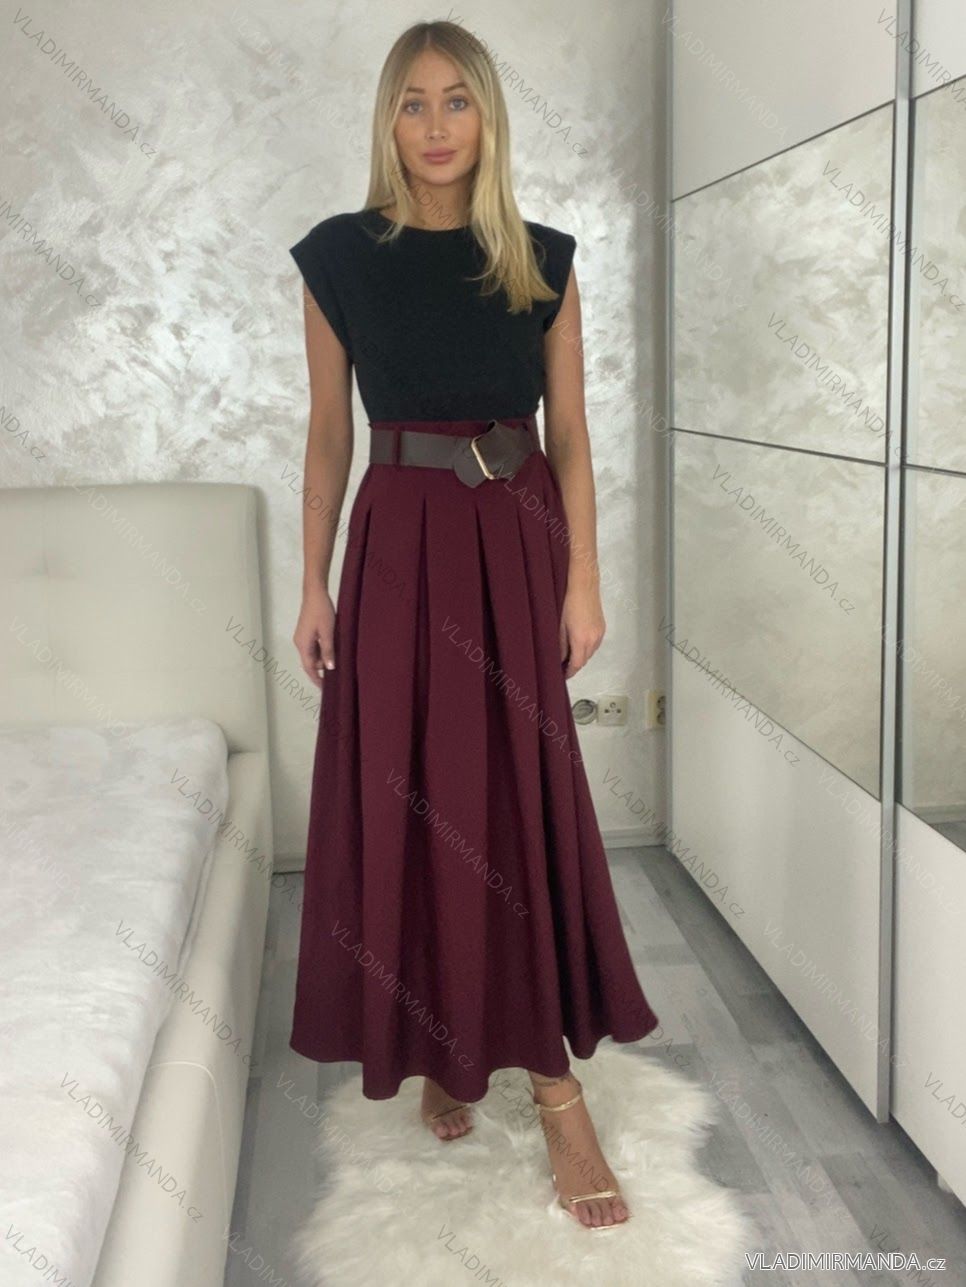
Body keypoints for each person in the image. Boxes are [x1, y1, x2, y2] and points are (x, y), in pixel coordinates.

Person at [288, 19, 659, 1232]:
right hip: (398, 544)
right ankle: (440, 1044)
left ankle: (556, 1092)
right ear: (387, 121)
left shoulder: (542, 258)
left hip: (514, 539)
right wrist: (312, 583)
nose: (436, 125)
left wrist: (585, 580)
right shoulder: (338, 258)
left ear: (488, 116)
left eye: (458, 100)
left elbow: (574, 435)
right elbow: (328, 433)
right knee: (411, 793)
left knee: (510, 795)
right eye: (413, 102)